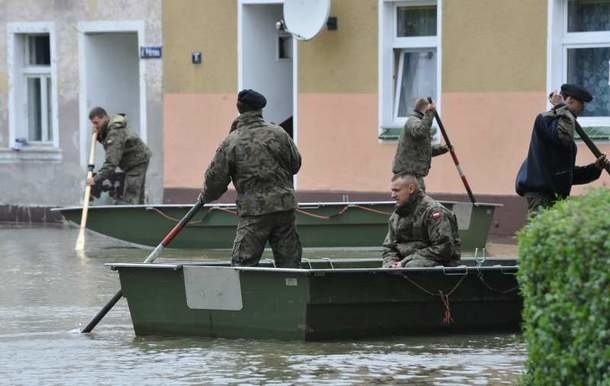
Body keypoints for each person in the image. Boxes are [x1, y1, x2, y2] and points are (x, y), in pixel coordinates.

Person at [200, 89, 302, 268]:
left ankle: (247, 294)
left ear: (239, 109)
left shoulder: (232, 141)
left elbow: (216, 179)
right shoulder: (279, 133)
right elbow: (295, 164)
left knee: (243, 265)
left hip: (255, 212)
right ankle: (291, 293)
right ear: (260, 109)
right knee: (290, 264)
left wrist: (205, 197)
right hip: (284, 208)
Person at [515, 84, 609, 213]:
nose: (583, 108)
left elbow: (566, 173)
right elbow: (561, 138)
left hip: (557, 197)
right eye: (581, 103)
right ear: (570, 100)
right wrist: (561, 107)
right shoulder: (545, 120)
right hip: (541, 195)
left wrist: (595, 168)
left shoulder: (567, 131)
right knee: (543, 232)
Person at [382, 173, 461, 268]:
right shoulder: (397, 215)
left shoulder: (433, 212)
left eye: (397, 191)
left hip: (439, 264)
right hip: (404, 264)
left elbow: (443, 248)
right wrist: (391, 263)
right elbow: (389, 247)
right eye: (392, 191)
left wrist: (404, 262)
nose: (393, 195)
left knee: (413, 265)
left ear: (411, 189)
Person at [87, 107, 151, 204]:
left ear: (104, 117)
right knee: (138, 195)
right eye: (93, 124)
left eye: (96, 123)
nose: (95, 127)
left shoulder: (115, 132)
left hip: (136, 162)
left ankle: (131, 216)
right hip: (134, 161)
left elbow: (111, 162)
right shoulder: (110, 128)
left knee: (131, 195)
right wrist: (99, 136)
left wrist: (95, 179)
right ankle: (140, 212)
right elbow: (110, 145)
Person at [392, 98, 449, 191]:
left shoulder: (419, 122)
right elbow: (420, 131)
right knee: (417, 201)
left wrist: (443, 148)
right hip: (407, 175)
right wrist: (430, 112)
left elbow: (423, 151)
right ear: (426, 109)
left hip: (413, 175)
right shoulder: (413, 121)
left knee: (417, 201)